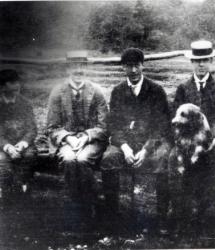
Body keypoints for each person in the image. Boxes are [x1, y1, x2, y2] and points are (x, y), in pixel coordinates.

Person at [101, 48, 172, 234]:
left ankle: (162, 218)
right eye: (128, 66)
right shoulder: (117, 92)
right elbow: (113, 125)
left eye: (136, 66)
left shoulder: (156, 90)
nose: (133, 71)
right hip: (125, 144)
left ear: (143, 65)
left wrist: (147, 149)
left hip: (151, 142)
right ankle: (111, 219)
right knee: (108, 159)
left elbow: (162, 125)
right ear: (123, 67)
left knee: (163, 159)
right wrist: (124, 147)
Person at [169, 40, 215, 244]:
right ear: (192, 63)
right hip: (186, 141)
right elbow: (175, 118)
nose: (201, 65)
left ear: (211, 61)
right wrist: (183, 142)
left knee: (213, 164)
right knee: (175, 163)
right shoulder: (183, 88)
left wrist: (211, 138)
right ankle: (182, 219)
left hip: (214, 142)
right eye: (197, 61)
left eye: (205, 60)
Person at [46, 51, 108, 229]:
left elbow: (104, 126)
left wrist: (87, 136)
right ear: (68, 69)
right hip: (67, 141)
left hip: (91, 141)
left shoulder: (96, 91)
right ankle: (75, 206)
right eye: (74, 66)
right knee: (68, 159)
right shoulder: (57, 92)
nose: (78, 70)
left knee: (82, 159)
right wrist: (68, 138)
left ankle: (90, 204)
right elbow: (52, 127)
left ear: (86, 68)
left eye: (82, 66)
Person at [0, 69, 37, 202]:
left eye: (18, 82)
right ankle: (6, 195)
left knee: (29, 157)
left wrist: (23, 143)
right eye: (12, 82)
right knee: (3, 163)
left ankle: (24, 191)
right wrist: (8, 147)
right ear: (3, 86)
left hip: (24, 145)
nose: (17, 85)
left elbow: (32, 128)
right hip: (3, 147)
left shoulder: (25, 103)